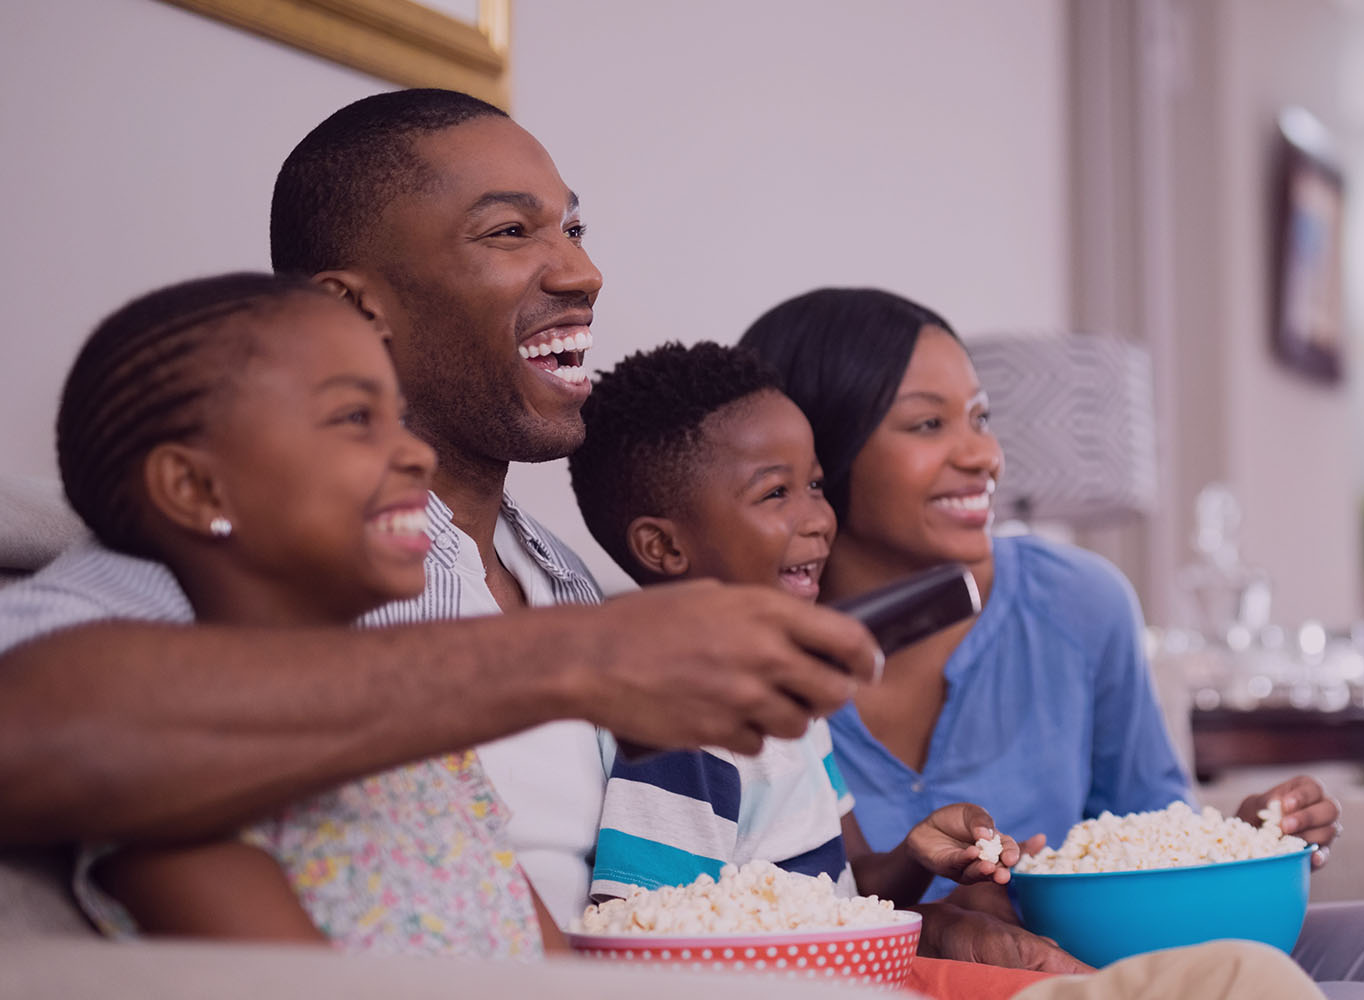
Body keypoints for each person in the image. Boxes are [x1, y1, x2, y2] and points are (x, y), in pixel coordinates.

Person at [0, 89, 879, 930]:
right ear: (351, 307)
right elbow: (25, 730)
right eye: (509, 231)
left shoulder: (555, 573)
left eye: (572, 227)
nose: (584, 271)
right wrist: (574, 656)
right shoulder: (230, 562)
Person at [740, 287, 1364, 999]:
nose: (984, 455)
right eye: (929, 425)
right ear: (821, 454)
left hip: (1158, 961)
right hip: (996, 986)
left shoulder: (1078, 603)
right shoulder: (739, 665)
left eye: (981, 416)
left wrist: (1239, 840)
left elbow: (1152, 825)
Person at [56, 271, 558, 958]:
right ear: (197, 488)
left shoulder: (420, 729)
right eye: (355, 419)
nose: (417, 453)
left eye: (400, 420)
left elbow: (554, 965)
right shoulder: (170, 791)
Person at [568, 341, 1071, 966]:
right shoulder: (679, 726)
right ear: (664, 549)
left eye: (814, 485)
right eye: (776, 494)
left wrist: (914, 856)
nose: (819, 519)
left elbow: (852, 881)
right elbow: (649, 934)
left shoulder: (790, 701)